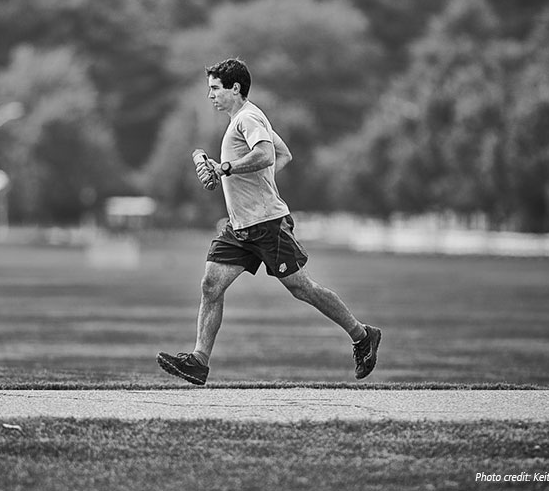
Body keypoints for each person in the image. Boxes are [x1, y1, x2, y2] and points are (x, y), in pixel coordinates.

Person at [156, 58, 381, 386]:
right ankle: (199, 361)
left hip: (267, 225)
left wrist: (227, 170)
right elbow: (283, 154)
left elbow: (266, 155)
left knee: (302, 289)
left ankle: (363, 336)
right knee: (211, 285)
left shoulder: (248, 117)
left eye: (215, 89)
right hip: (239, 227)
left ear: (235, 88)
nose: (210, 96)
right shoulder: (243, 119)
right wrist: (251, 181)